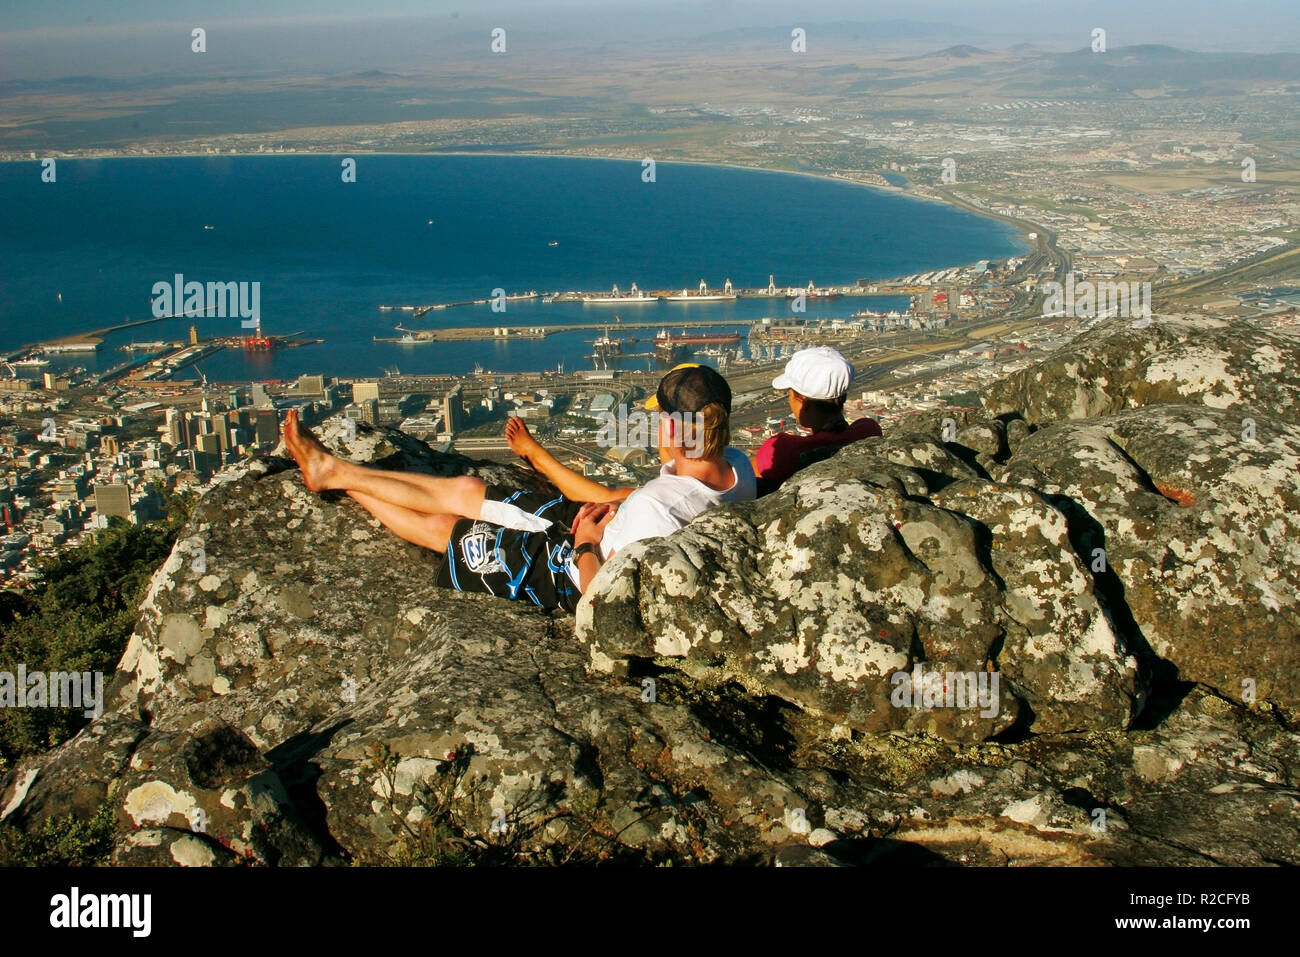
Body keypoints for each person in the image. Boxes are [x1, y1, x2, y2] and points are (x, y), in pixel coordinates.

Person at [279, 364, 755, 613]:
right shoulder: (737, 468)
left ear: (673, 430)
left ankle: (335, 476)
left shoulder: (659, 505)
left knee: (450, 531)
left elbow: (601, 597)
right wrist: (540, 460)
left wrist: (586, 543)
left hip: (569, 572)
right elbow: (622, 499)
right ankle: (334, 471)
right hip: (589, 525)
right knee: (469, 488)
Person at [753, 346, 881, 490]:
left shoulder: (781, 449)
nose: (789, 401)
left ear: (804, 403)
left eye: (789, 394)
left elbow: (747, 481)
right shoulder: (868, 430)